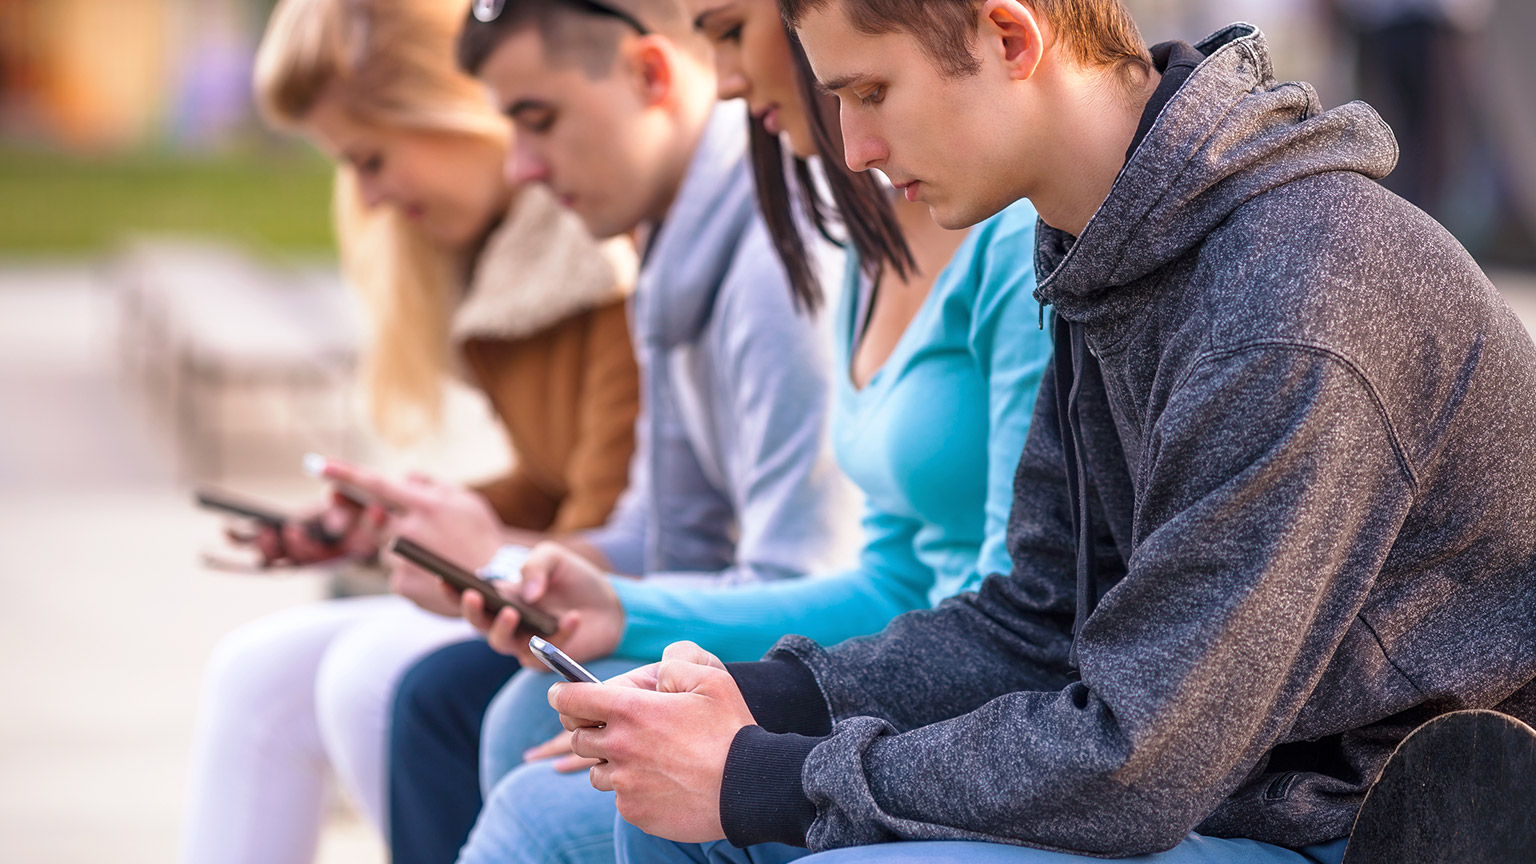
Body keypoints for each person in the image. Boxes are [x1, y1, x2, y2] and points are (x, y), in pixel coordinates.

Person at [552, 3, 1536, 863]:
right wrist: (764, 697)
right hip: (1216, 792)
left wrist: (767, 776)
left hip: (1358, 826)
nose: (851, 147)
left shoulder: (1292, 307)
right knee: (654, 816)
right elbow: (1036, 621)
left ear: (1009, 36)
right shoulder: (1100, 242)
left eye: (872, 90)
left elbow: (1140, 761)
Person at [407, 0, 1053, 859]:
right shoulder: (861, 237)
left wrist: (753, 731)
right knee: (528, 744)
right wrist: (621, 610)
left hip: (974, 714)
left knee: (558, 794)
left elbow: (1019, 627)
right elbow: (894, 577)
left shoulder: (1007, 239)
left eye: (729, 30)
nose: (725, 79)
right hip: (911, 669)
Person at [374, 0, 863, 859]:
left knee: (501, 734)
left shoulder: (778, 266)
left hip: (832, 665)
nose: (521, 167)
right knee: (462, 704)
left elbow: (804, 570)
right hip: (750, 635)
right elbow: (657, 530)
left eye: (540, 120)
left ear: (649, 74)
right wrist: (498, 565)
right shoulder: (673, 249)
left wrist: (500, 561)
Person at [179, 0, 641, 860]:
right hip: (580, 582)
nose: (370, 196)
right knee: (257, 668)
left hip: (647, 611)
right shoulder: (512, 262)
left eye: (371, 157)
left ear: (456, 107)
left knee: (369, 681)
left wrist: (466, 544)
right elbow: (555, 482)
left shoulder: (596, 262)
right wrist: (395, 527)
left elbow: (620, 534)